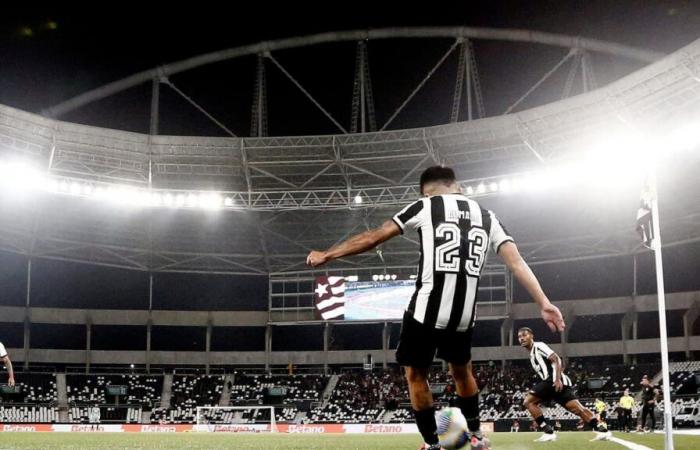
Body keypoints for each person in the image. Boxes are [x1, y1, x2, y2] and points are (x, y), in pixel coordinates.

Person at [307, 166, 566, 450]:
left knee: (415, 374)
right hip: (464, 316)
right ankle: (477, 434)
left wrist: (328, 254)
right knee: (462, 372)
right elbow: (516, 262)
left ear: (426, 191)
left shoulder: (425, 206)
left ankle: (432, 444)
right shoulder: (489, 217)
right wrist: (544, 303)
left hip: (425, 312)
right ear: (457, 185)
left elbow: (373, 237)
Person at [517, 327, 611, 443]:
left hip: (552, 381)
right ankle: (602, 430)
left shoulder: (539, 346)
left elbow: (556, 358)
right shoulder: (532, 354)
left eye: (524, 335)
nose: (521, 338)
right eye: (519, 337)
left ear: (532, 336)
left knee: (528, 401)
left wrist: (556, 379)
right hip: (558, 383)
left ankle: (548, 431)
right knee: (578, 409)